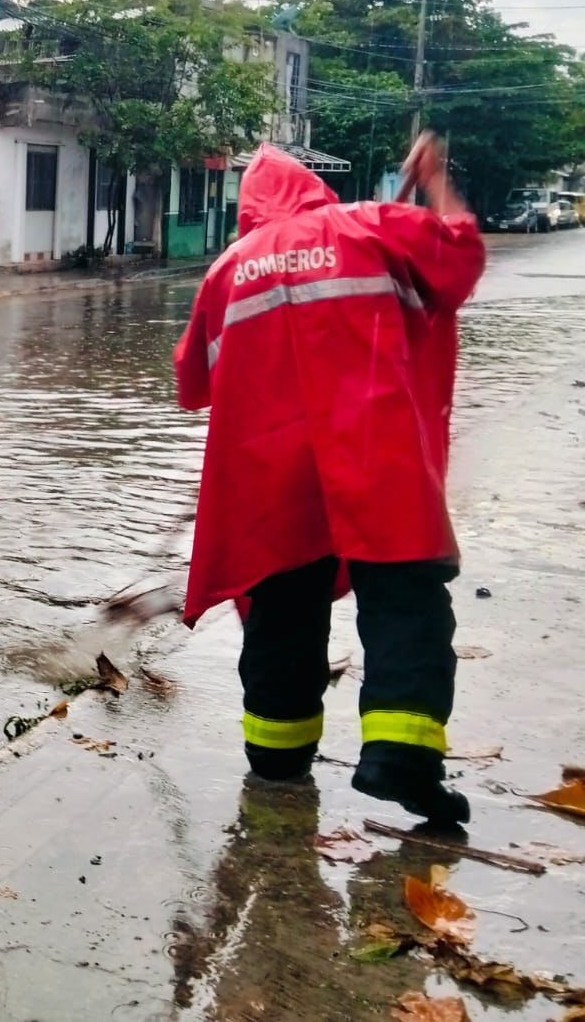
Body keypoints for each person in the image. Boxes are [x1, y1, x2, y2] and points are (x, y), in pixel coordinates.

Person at [173, 134, 485, 827]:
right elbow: (460, 255)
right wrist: (436, 182)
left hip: (270, 477)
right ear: (312, 191)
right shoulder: (373, 225)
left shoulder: (226, 270)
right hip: (376, 455)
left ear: (249, 208)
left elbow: (191, 382)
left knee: (282, 610)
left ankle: (277, 760)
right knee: (404, 601)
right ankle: (399, 756)